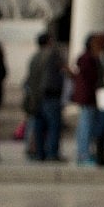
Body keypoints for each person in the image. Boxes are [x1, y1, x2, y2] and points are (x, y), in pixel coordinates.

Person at [25, 31, 66, 162]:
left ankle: (39, 153)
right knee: (54, 125)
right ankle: (52, 153)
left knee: (39, 126)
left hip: (36, 96)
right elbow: (54, 76)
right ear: (49, 41)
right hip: (50, 95)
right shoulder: (53, 55)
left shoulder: (34, 57)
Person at [73, 33, 104, 165]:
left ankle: (83, 153)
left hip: (87, 96)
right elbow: (91, 78)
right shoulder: (89, 59)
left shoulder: (88, 58)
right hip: (88, 97)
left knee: (85, 125)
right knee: (86, 126)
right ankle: (84, 154)